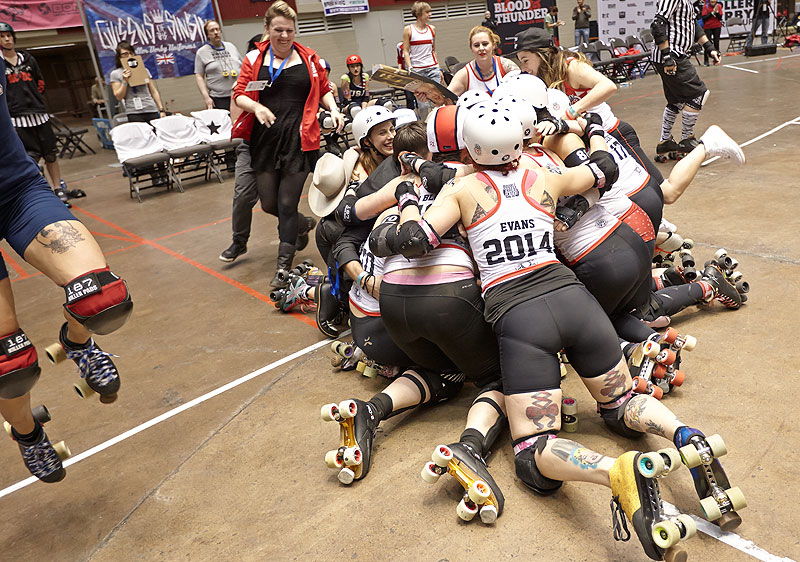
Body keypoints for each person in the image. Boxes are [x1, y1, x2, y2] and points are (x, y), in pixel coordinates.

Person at [375, 105, 738, 546]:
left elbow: (414, 242)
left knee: (533, 456)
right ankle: (685, 435)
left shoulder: (462, 189)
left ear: (470, 148)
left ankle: (613, 473)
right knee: (622, 405)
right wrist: (594, 128)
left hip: (521, 316)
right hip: (575, 301)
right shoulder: (542, 174)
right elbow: (603, 170)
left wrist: (409, 199)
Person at [0, 56, 133, 484]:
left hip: (15, 189)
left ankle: (76, 344)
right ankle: (28, 433)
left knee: (103, 296)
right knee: (9, 364)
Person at [232, 0, 344, 288]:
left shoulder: (309, 58)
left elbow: (323, 89)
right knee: (269, 203)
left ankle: (283, 266)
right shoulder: (254, 59)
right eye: (278, 30)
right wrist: (256, 109)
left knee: (286, 203)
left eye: (289, 30)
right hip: (265, 140)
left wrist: (332, 109)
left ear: (295, 31)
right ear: (267, 29)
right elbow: (240, 94)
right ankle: (302, 224)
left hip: (300, 140)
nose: (284, 36)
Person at [0, 22, 74, 206]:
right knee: (30, 158)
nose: (7, 39)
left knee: (50, 154)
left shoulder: (27, 58)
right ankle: (39, 192)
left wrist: (35, 101)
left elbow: (40, 83)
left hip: (39, 113)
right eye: (2, 36)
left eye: (8, 35)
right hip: (17, 118)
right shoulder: (0, 63)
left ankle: (57, 188)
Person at [649, 0, 720, 160]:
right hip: (672, 55)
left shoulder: (688, 3)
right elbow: (658, 24)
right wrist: (667, 56)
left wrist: (709, 48)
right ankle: (686, 140)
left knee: (676, 100)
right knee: (699, 94)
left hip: (672, 55)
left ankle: (665, 142)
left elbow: (693, 26)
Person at [447, 26, 519, 96]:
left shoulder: (506, 66)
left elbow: (524, 88)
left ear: (493, 45)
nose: (481, 48)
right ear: (471, 49)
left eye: (485, 44)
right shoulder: (464, 75)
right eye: (476, 45)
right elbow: (445, 100)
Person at [110, 41, 167, 124]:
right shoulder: (116, 74)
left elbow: (153, 91)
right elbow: (118, 97)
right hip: (133, 112)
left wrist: (161, 109)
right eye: (125, 54)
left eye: (131, 53)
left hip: (150, 108)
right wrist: (125, 81)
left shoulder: (144, 70)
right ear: (119, 57)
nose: (129, 56)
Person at [194, 20, 243, 111]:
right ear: (208, 35)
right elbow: (199, 76)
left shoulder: (231, 46)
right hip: (219, 98)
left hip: (239, 94)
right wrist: (206, 97)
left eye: (217, 29)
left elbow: (243, 66)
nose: (216, 32)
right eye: (212, 30)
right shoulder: (202, 52)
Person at [402, 2, 444, 84]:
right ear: (419, 14)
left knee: (436, 95)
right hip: (418, 70)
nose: (430, 14)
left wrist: (439, 69)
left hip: (433, 68)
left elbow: (433, 51)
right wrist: (410, 68)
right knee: (421, 96)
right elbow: (406, 51)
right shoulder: (408, 29)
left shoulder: (432, 29)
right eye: (427, 12)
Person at [701, 0, 724, 65]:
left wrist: (716, 12)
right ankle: (706, 60)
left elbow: (720, 18)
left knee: (716, 42)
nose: (712, 1)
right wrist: (711, 13)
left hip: (717, 26)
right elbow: (704, 18)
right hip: (708, 27)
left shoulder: (718, 6)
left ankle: (716, 59)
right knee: (707, 43)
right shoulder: (706, 7)